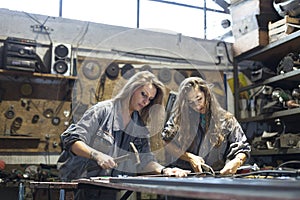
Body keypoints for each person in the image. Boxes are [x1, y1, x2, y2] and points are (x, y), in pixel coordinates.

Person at [57, 71, 190, 199]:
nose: (145, 102)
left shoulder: (139, 127)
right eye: (143, 94)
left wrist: (164, 170)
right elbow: (72, 140)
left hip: (108, 189)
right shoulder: (102, 111)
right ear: (132, 88)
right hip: (79, 186)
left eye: (150, 99)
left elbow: (146, 161)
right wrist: (96, 155)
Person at [161, 77, 251, 175]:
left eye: (199, 99)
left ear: (206, 94)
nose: (197, 106)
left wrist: (236, 162)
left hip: (216, 178)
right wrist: (190, 157)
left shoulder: (226, 120)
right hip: (185, 176)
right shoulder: (179, 118)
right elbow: (166, 142)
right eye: (191, 103)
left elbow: (242, 148)